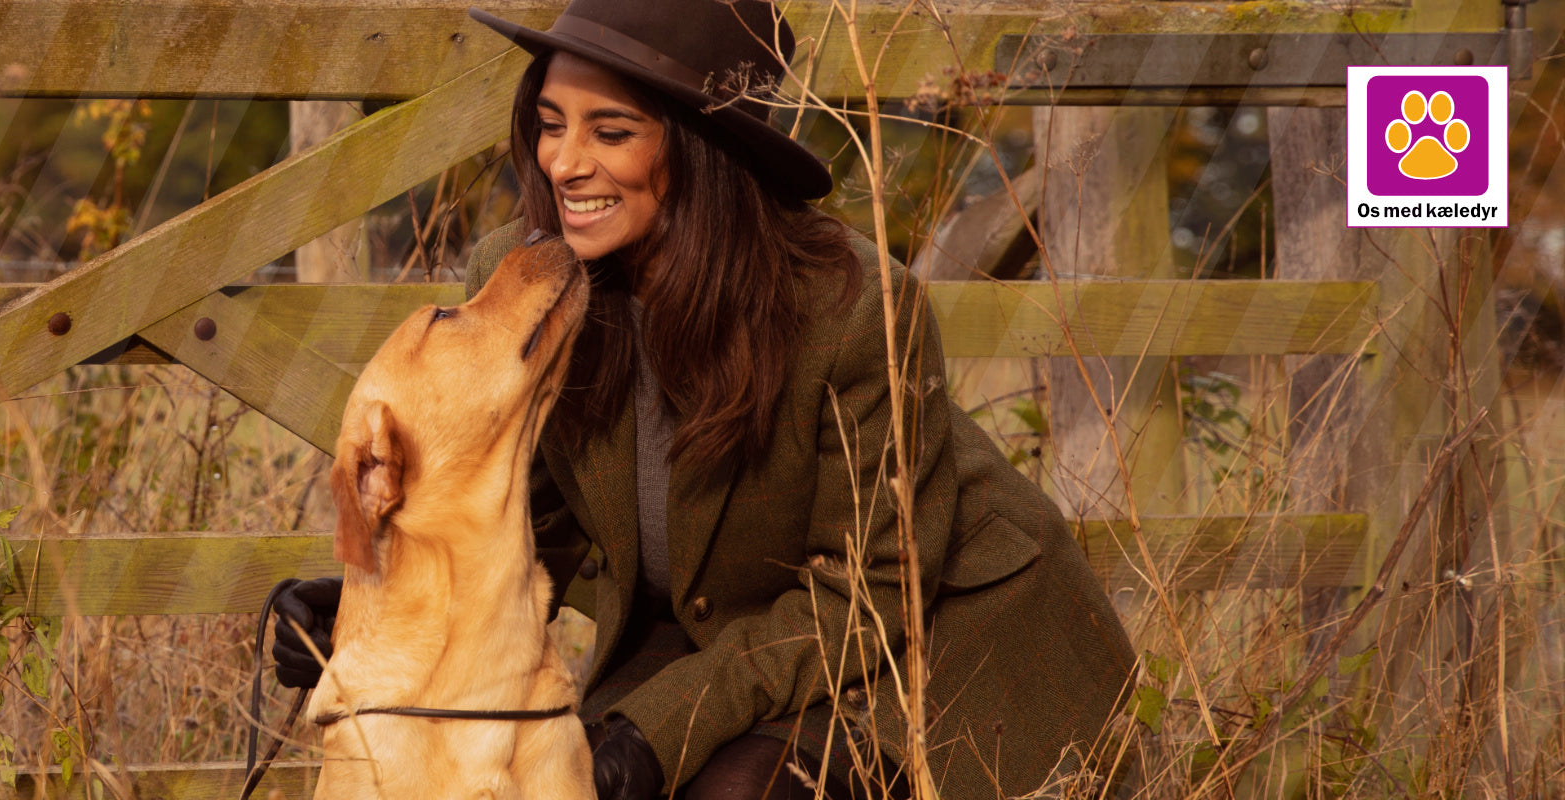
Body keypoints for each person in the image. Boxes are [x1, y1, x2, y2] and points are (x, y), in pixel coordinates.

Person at [270, 1, 1138, 798]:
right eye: (549, 124)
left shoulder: (851, 307)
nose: (565, 163)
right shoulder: (531, 281)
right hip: (723, 630)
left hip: (933, 641)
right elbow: (535, 514)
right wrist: (359, 605)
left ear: (697, 151)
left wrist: (662, 726)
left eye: (610, 132)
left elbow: (868, 592)